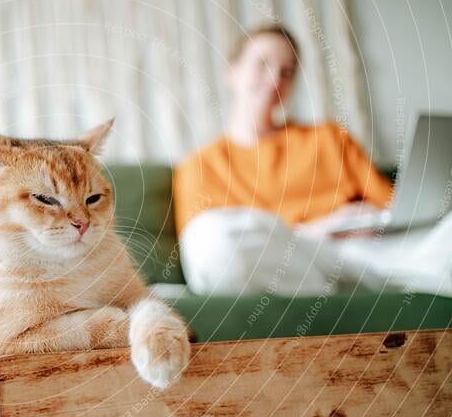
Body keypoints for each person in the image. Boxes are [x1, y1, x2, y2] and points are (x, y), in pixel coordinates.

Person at [173, 25, 452, 297]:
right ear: (232, 72)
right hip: (287, 258)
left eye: (287, 72)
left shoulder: (329, 138)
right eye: (262, 64)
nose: (274, 80)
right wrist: (316, 230)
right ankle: (344, 290)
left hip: (359, 253)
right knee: (210, 239)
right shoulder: (198, 166)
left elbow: (396, 211)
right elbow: (201, 250)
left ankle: (343, 290)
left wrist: (370, 220)